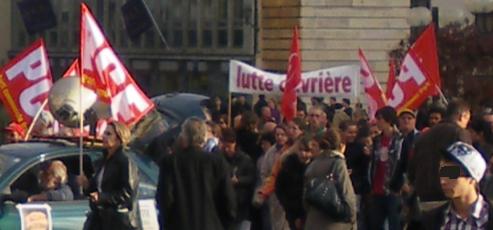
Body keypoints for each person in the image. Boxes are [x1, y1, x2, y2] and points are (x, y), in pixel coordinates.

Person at [156, 117, 236, 230]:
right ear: (204, 137)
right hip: (211, 224)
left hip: (179, 224)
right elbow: (228, 200)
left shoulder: (170, 162)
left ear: (184, 136)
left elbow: (165, 199)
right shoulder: (217, 162)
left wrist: (165, 224)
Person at [77, 121, 139, 230]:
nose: (104, 137)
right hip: (100, 219)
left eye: (109, 134)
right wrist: (87, 186)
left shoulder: (124, 162)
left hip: (117, 221)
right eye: (104, 133)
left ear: (119, 139)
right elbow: (98, 188)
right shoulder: (103, 160)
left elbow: (127, 194)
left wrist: (102, 197)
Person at [418, 141, 493, 229]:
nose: (443, 181)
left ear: (472, 179)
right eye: (442, 173)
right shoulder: (432, 220)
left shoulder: (487, 218)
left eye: (451, 175)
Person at [303, 129, 357, 229]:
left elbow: (305, 197)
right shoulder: (337, 163)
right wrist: (352, 220)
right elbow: (346, 193)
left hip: (313, 220)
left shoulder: (312, 165)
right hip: (334, 222)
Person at [368, 106, 403, 230]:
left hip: (392, 190)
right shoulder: (376, 140)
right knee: (376, 224)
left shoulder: (400, 139)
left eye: (380, 119)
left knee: (394, 223)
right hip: (377, 189)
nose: (377, 121)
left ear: (388, 120)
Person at [220, 128, 256, 230]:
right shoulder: (219, 158)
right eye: (224, 147)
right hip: (224, 203)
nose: (227, 150)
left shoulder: (245, 159)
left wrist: (239, 180)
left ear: (234, 144)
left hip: (241, 202)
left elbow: (252, 177)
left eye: (229, 147)